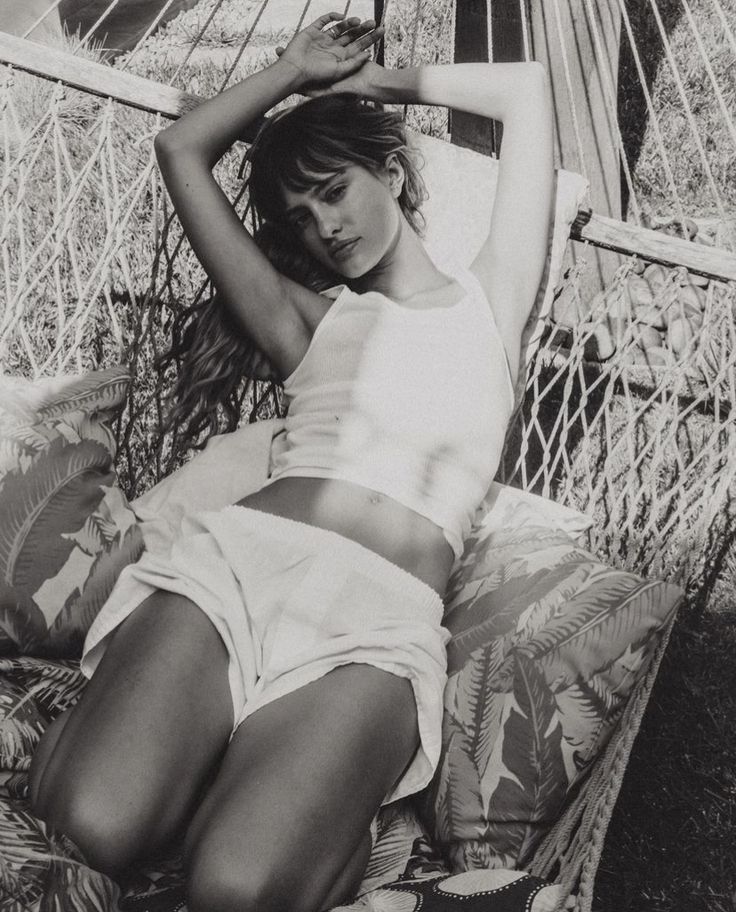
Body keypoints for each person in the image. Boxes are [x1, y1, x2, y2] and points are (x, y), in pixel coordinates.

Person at [28, 13, 567, 912]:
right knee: (95, 823)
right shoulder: (308, 322)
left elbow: (528, 95)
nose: (324, 226)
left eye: (334, 190)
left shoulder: (489, 302)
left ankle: (259, 790)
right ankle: (185, 755)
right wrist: (287, 69)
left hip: (374, 626)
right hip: (238, 572)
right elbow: (179, 150)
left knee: (239, 890)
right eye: (301, 216)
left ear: (391, 172)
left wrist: (367, 85)